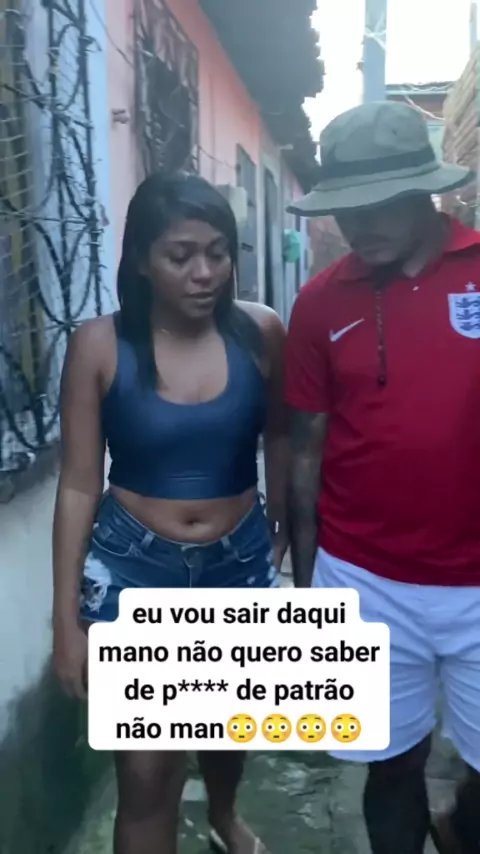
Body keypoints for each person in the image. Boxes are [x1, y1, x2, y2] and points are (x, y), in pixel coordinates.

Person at [52, 171, 287, 854]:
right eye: (180, 256)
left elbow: (282, 436)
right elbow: (77, 485)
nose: (204, 273)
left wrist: (278, 535)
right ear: (141, 261)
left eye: (217, 252)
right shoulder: (100, 345)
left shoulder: (261, 331)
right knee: (146, 773)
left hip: (238, 565)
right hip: (134, 573)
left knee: (228, 726)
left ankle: (223, 815)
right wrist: (66, 623)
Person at [284, 100, 480, 854]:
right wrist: (309, 588)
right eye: (346, 208)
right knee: (390, 766)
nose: (359, 226)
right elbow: (306, 449)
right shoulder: (319, 302)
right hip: (365, 580)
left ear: (425, 193)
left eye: (378, 206)